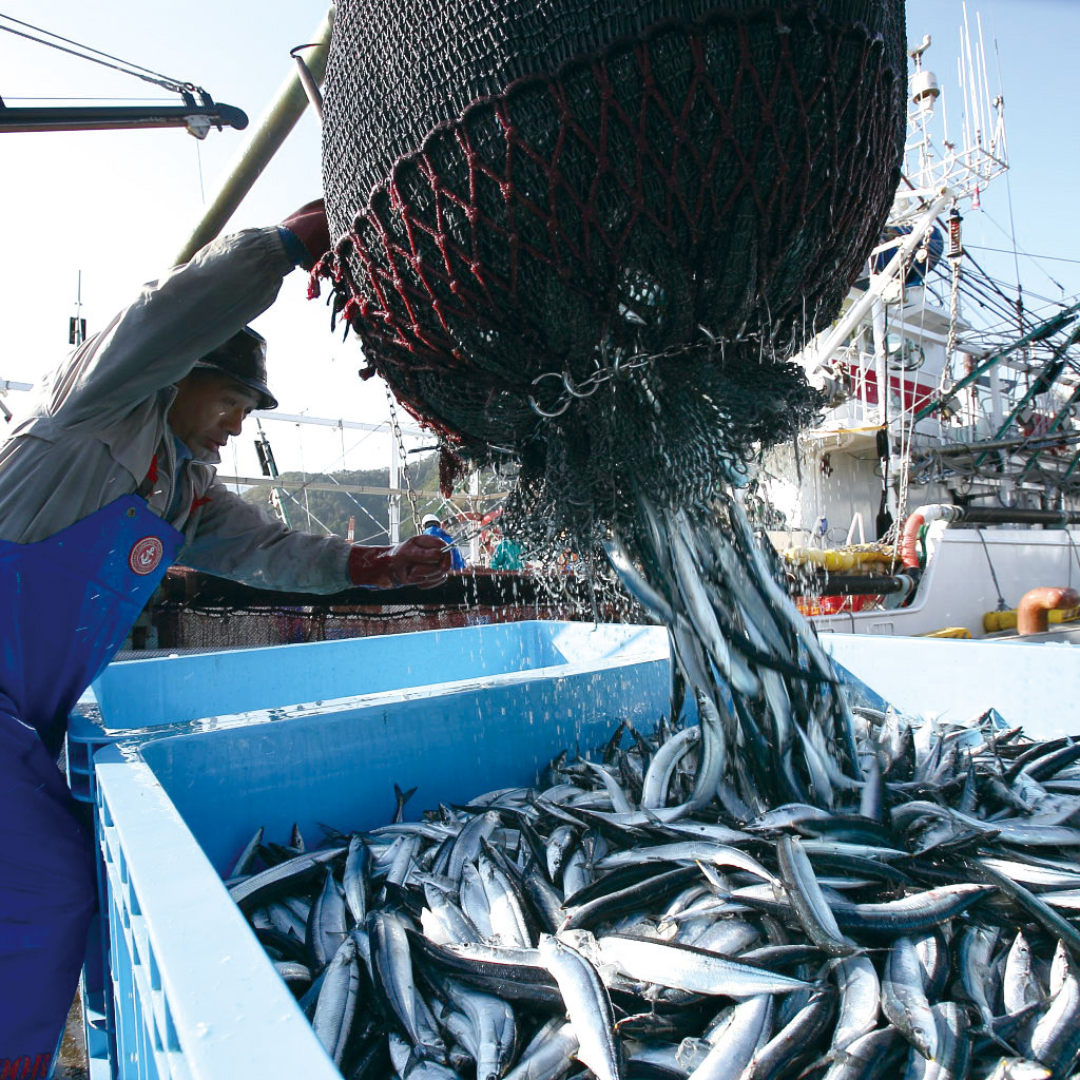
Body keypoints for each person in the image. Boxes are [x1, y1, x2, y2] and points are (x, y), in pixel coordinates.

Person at [0, 199, 451, 1068]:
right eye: (235, 398)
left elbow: (269, 550)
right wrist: (283, 248)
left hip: (25, 720)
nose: (240, 423)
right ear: (179, 373)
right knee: (49, 889)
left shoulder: (179, 486)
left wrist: (373, 568)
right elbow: (170, 312)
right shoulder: (88, 416)